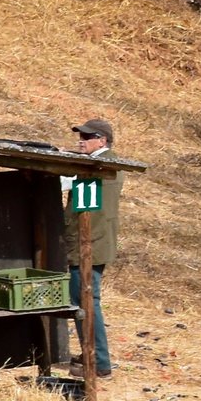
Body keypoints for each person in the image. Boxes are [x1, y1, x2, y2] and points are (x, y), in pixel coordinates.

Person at [65, 118, 121, 377]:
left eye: (88, 137)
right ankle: (93, 355)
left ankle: (98, 361)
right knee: (86, 301)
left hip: (88, 246)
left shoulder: (98, 166)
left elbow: (84, 212)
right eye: (82, 136)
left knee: (86, 302)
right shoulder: (102, 165)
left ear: (103, 141)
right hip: (93, 245)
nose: (82, 140)